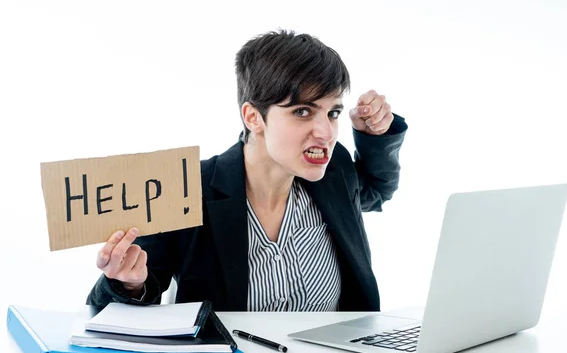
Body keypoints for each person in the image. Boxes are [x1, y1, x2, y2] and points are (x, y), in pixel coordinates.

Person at [87, 29, 408, 312]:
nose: (325, 132)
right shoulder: (187, 190)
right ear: (253, 117)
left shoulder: (334, 168)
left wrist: (375, 137)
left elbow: (376, 191)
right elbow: (107, 314)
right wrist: (128, 284)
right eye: (303, 111)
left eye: (333, 112)